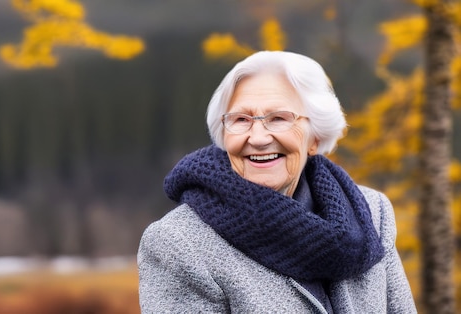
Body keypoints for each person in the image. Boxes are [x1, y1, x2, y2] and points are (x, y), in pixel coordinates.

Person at [137, 51, 417, 313]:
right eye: (241, 119)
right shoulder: (178, 244)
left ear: (315, 137)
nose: (258, 138)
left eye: (279, 118)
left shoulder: (371, 213)